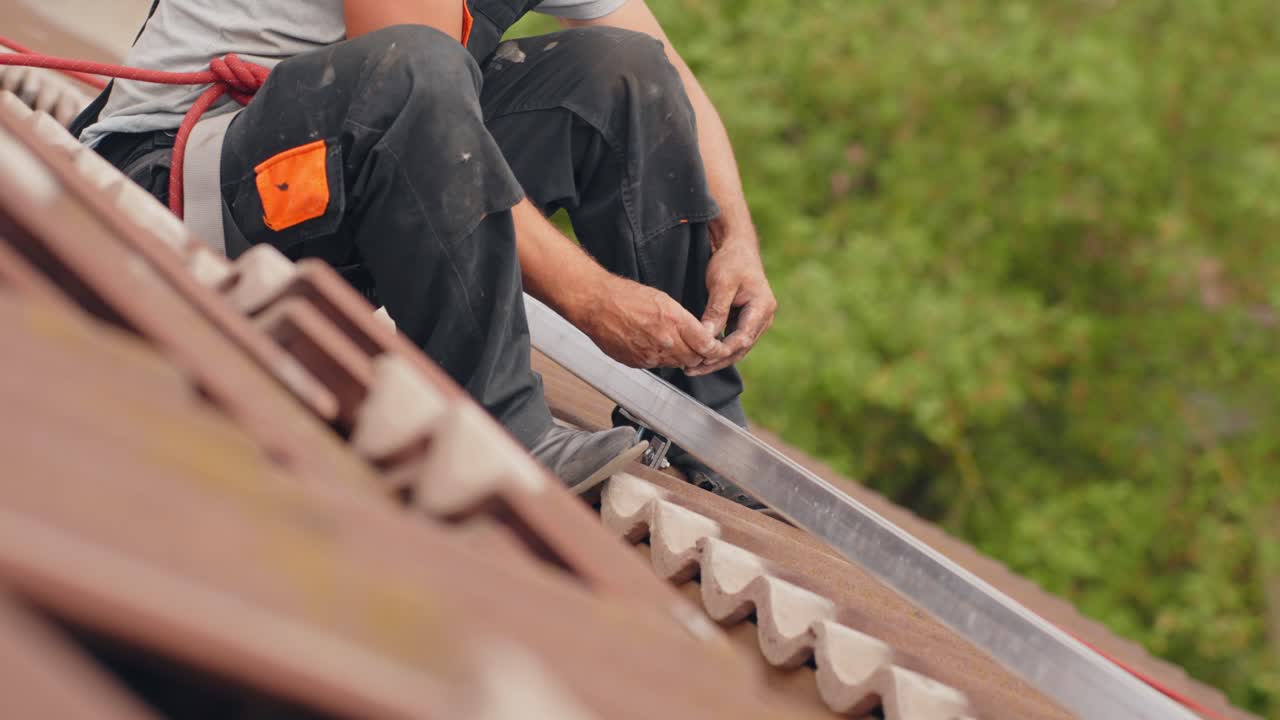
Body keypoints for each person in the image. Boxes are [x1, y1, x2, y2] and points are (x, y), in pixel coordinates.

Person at [75, 0, 778, 507]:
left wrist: (738, 238)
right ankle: (504, 425)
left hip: (339, 178)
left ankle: (705, 427)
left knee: (624, 71)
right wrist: (592, 298)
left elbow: (669, 74)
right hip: (185, 182)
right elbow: (422, 99)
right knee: (417, 66)